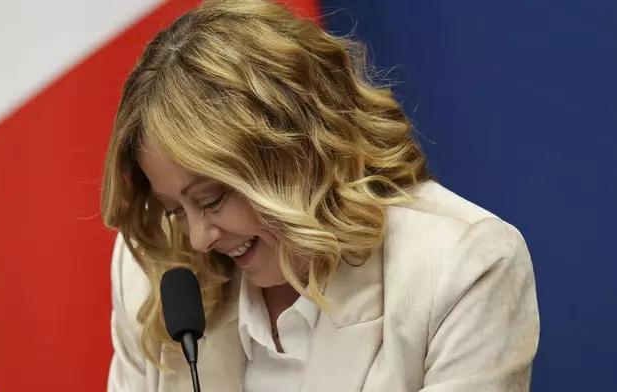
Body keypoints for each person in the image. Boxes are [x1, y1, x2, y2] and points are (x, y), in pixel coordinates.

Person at [100, 0, 540, 391]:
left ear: (296, 151)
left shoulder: (463, 268)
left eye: (213, 199)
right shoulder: (154, 267)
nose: (197, 238)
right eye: (175, 208)